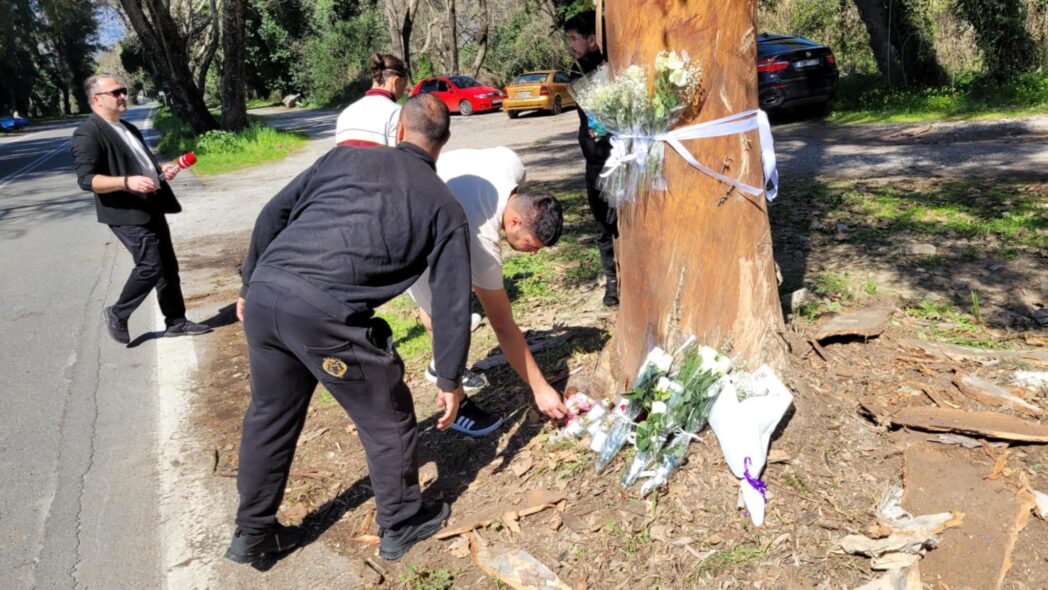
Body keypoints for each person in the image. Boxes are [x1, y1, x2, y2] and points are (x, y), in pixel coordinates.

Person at [226, 94, 472, 564]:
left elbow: (272, 214)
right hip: (322, 314)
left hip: (266, 295)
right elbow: (451, 299)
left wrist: (248, 284)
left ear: (399, 130)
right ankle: (401, 521)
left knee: (270, 415)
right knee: (387, 415)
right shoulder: (443, 204)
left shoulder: (344, 158)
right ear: (444, 139)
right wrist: (450, 378)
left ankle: (253, 532)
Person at [408, 147, 570, 436]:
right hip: (411, 229)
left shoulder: (512, 164)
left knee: (438, 307)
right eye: (532, 245)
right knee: (447, 318)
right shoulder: (480, 242)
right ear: (515, 222)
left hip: (425, 193)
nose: (533, 253)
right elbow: (503, 326)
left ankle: (440, 363)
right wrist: (541, 389)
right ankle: (456, 403)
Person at [71, 73, 212, 344]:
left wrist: (160, 171)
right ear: (97, 100)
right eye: (116, 92)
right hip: (125, 212)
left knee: (167, 267)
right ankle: (117, 313)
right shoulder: (87, 133)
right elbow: (87, 180)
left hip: (151, 204)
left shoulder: (127, 127)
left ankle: (176, 321)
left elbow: (140, 164)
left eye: (123, 90)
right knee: (150, 266)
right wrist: (126, 182)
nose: (123, 96)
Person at [564, 10, 619, 307]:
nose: (571, 45)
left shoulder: (616, 63)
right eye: (569, 39)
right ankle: (612, 282)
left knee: (625, 221)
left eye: (575, 38)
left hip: (620, 158)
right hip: (595, 162)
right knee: (602, 226)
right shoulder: (576, 72)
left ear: (594, 38)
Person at [334, 52, 409, 147]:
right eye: (404, 86)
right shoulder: (398, 114)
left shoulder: (345, 114)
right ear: (396, 81)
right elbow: (401, 154)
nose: (404, 92)